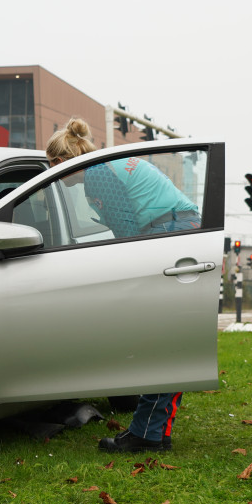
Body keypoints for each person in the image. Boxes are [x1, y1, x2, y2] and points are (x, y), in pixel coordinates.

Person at [45, 118, 199, 453]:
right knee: (166, 342)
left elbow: (128, 236)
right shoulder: (108, 165)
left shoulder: (97, 175)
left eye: (51, 167)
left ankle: (149, 434)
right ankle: (154, 430)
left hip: (167, 233)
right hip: (180, 228)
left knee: (159, 342)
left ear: (60, 163)